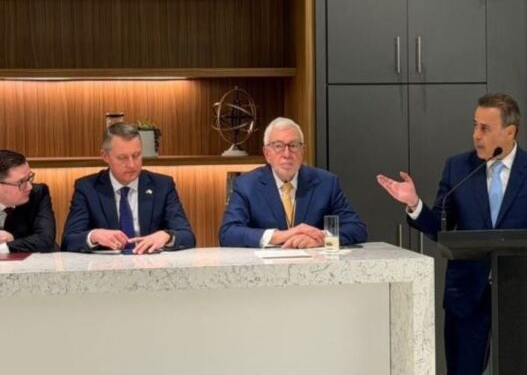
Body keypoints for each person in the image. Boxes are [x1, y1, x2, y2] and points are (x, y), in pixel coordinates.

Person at [377, 93, 527, 375]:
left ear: (510, 131)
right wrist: (414, 205)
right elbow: (442, 227)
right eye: (475, 126)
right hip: (466, 295)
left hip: (518, 294)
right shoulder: (458, 168)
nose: (476, 135)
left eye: (485, 128)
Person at [219, 117, 367, 248]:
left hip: (314, 266)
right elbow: (228, 233)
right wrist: (281, 236)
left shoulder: (326, 183)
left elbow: (356, 228)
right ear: (267, 153)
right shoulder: (246, 185)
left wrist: (321, 239)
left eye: (294, 145)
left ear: (303, 151)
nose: (287, 154)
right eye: (278, 146)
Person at [61, 122, 195, 253]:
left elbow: (187, 236)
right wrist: (94, 236)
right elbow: (68, 241)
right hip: (106, 265)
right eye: (122, 157)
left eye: (136, 156)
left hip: (151, 264)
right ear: (105, 156)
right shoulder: (87, 188)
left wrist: (167, 236)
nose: (131, 164)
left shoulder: (162, 186)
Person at [0, 149, 56, 253]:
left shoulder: (38, 193)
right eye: (22, 182)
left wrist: (6, 246)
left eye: (29, 177)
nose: (29, 187)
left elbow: (45, 239)